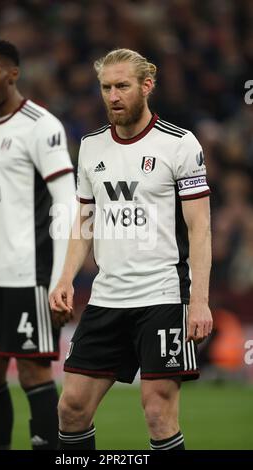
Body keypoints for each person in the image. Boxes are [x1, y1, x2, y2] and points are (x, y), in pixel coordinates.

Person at [50, 48, 213, 450]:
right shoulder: (90, 146)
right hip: (108, 296)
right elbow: (85, 220)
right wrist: (66, 277)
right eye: (106, 87)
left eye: (122, 86)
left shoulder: (179, 144)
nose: (113, 95)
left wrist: (200, 300)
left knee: (157, 411)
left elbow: (200, 228)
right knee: (71, 408)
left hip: (163, 294)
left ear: (146, 86)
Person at [0, 38, 75, 450]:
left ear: (13, 74)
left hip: (30, 272)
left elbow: (66, 201)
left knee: (33, 374)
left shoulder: (40, 126)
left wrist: (61, 280)